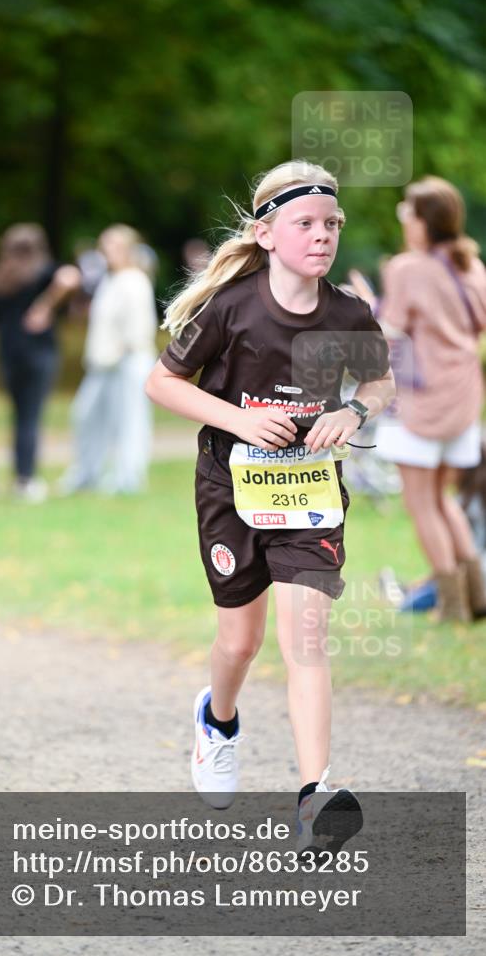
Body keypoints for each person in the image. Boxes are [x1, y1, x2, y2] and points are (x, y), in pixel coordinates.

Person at [146, 161, 395, 849]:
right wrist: (238, 420)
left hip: (309, 493)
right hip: (229, 487)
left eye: (331, 225)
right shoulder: (233, 307)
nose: (322, 237)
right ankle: (217, 720)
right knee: (239, 640)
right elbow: (161, 384)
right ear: (264, 233)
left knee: (304, 641)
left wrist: (352, 411)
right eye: (305, 224)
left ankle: (315, 796)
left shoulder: (348, 313)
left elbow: (378, 381)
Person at [354, 178, 486, 622]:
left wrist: (368, 304)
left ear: (423, 220)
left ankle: (451, 605)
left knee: (420, 502)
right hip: (464, 398)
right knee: (443, 498)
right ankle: (477, 593)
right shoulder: (472, 265)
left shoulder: (408, 268)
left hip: (420, 399)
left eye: (405, 212)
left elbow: (388, 330)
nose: (404, 220)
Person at [0, 225, 81, 501]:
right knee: (31, 416)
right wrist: (45, 306)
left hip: (8, 355)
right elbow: (70, 277)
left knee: (19, 416)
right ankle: (26, 478)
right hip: (39, 354)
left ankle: (19, 475)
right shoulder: (43, 272)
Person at [60, 224, 158, 495]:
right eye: (105, 246)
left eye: (115, 246)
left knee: (129, 421)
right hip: (103, 364)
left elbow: (139, 330)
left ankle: (128, 478)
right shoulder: (109, 280)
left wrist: (118, 355)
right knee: (85, 415)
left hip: (128, 363)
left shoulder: (135, 280)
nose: (108, 252)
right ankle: (86, 473)